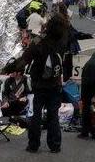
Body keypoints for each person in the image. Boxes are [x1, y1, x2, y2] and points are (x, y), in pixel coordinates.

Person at [27, 12, 67, 153]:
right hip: (55, 83)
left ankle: (33, 144)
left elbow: (27, 56)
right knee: (53, 114)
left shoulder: (40, 41)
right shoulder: (62, 42)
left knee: (36, 113)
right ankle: (55, 144)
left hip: (39, 82)